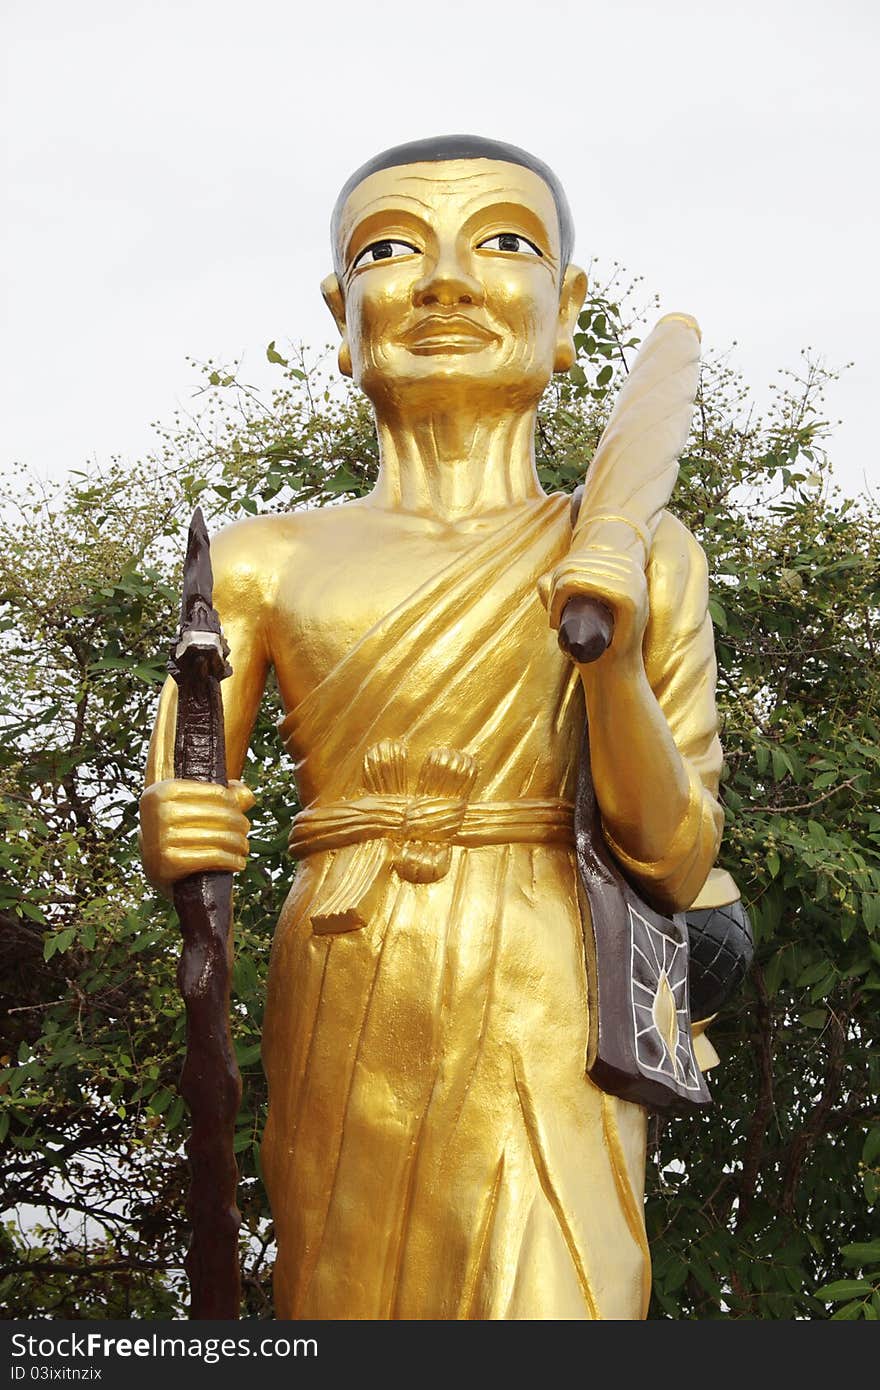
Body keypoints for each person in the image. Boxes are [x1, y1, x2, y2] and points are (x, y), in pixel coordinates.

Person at [140, 135, 732, 1320]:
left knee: (563, 1291)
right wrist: (179, 821)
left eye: (503, 242)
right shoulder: (263, 561)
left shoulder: (639, 551)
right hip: (351, 958)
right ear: (341, 314)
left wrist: (606, 661)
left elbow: (675, 853)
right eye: (390, 249)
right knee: (344, 1284)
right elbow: (185, 781)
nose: (447, 279)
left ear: (563, 309)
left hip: (553, 973)